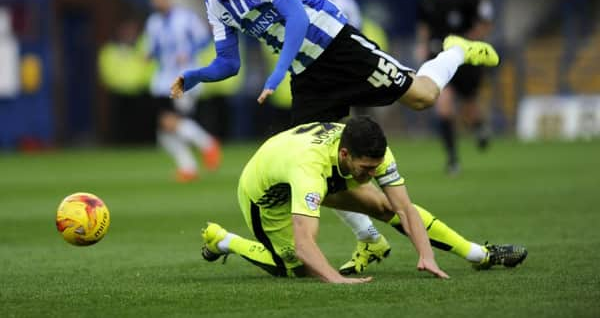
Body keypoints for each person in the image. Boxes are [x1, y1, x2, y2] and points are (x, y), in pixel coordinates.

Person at [170, 0, 499, 272]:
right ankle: (371, 239)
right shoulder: (216, 6)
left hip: (339, 47)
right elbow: (228, 63)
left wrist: (279, 71)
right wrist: (194, 76)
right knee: (314, 166)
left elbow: (297, 18)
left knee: (423, 97)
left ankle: (457, 50)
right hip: (310, 78)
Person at [200, 116, 527, 282]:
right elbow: (305, 242)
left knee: (386, 206)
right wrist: (336, 279)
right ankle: (224, 240)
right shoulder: (309, 170)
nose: (372, 175)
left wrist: (426, 254)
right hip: (266, 195)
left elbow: (404, 208)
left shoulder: (373, 151)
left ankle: (478, 254)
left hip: (307, 168)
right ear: (345, 154)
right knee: (298, 269)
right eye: (366, 169)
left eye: (375, 168)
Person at [416, 0, 495, 175]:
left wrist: (472, 40)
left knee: (469, 109)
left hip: (465, 60)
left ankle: (479, 127)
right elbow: (423, 27)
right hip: (439, 59)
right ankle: (452, 160)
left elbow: (486, 19)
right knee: (444, 106)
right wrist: (422, 45)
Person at [144, 0, 221, 182]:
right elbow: (155, 48)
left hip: (184, 78)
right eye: (156, 0)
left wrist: (189, 52)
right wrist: (149, 55)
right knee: (165, 132)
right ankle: (189, 168)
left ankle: (207, 144)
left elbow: (205, 38)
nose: (159, 2)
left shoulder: (185, 18)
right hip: (162, 81)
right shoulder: (153, 22)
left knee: (171, 121)